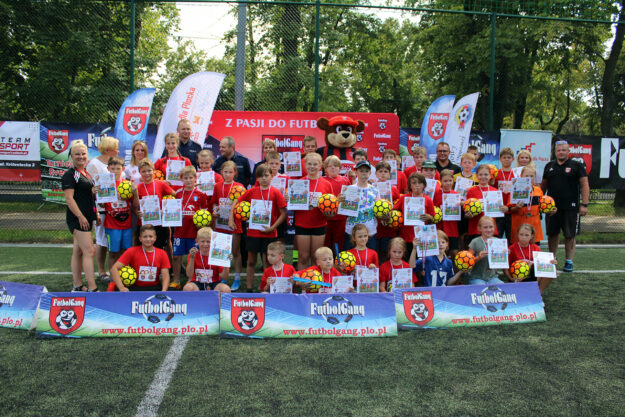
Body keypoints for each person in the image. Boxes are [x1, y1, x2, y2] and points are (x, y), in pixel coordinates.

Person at [230, 164, 287, 292]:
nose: (264, 178)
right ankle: (249, 289)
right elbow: (236, 202)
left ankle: (267, 288)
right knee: (251, 261)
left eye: (266, 175)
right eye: (260, 176)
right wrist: (230, 219)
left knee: (267, 262)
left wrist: (272, 227)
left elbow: (283, 213)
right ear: (257, 178)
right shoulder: (252, 191)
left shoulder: (276, 192)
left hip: (269, 233)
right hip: (253, 233)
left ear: (271, 176)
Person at [541, 140, 589, 272]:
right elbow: (543, 187)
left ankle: (569, 261)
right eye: (558, 150)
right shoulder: (549, 166)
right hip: (552, 208)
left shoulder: (577, 166)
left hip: (571, 207)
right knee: (552, 234)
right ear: (555, 152)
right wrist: (540, 204)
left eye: (563, 150)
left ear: (568, 151)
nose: (561, 152)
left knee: (570, 235)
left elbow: (585, 185)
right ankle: (552, 259)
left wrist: (584, 204)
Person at [62, 140, 99, 292]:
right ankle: (92, 288)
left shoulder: (85, 173)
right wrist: (80, 216)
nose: (81, 157)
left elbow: (86, 196)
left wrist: (95, 213)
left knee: (78, 252)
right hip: (78, 219)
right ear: (71, 156)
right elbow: (69, 199)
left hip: (87, 217)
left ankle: (77, 286)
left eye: (83, 154)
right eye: (77, 154)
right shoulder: (69, 175)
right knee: (89, 251)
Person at [87, 135, 119, 282]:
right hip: (101, 207)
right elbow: (91, 187)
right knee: (101, 239)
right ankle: (101, 271)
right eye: (115, 148)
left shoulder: (114, 164)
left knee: (112, 239)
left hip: (115, 208)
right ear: (108, 149)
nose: (118, 151)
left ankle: (114, 269)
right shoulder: (94, 164)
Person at [293, 153, 333, 270]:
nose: (312, 166)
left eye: (315, 164)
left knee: (316, 258)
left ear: (320, 166)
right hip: (302, 223)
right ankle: (303, 280)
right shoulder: (298, 183)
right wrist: (289, 199)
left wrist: (329, 212)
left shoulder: (327, 184)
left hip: (319, 224)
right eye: (309, 164)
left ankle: (315, 281)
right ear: (305, 165)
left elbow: (331, 208)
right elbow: (293, 206)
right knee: (303, 257)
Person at [172, 166, 209, 289]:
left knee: (193, 256)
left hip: (194, 233)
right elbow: (172, 210)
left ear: (195, 179)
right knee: (176, 256)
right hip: (179, 231)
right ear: (181, 179)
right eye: (186, 178)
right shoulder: (178, 193)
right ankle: (176, 280)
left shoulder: (201, 194)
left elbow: (205, 214)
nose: (188, 180)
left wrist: (201, 224)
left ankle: (191, 279)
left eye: (190, 178)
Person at [133, 159, 175, 266]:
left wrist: (166, 209)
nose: (147, 173)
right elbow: (134, 206)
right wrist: (137, 212)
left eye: (149, 171)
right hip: (144, 224)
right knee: (144, 248)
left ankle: (165, 268)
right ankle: (147, 268)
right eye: (144, 171)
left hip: (159, 223)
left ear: (153, 170)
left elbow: (175, 195)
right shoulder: (138, 188)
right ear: (140, 172)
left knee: (161, 246)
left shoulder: (161, 184)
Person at [210, 160, 244, 290]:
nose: (228, 174)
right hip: (220, 224)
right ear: (221, 172)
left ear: (235, 173)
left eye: (230, 172)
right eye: (225, 172)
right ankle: (223, 277)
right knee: (222, 251)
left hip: (234, 224)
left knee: (235, 251)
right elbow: (214, 202)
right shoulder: (218, 186)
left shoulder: (239, 187)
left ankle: (237, 278)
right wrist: (215, 210)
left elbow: (243, 205)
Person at [110, 225, 170, 292]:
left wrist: (164, 291)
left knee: (173, 290)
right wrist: (121, 287)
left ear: (155, 238)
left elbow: (165, 275)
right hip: (135, 288)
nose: (148, 239)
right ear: (140, 238)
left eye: (150, 236)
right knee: (116, 291)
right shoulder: (132, 251)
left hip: (155, 288)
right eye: (145, 237)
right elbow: (114, 269)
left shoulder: (162, 253)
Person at [102, 156, 134, 273]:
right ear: (108, 169)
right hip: (112, 225)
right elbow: (101, 205)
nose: (115, 171)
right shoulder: (105, 184)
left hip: (127, 225)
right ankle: (113, 277)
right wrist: (97, 194)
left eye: (118, 169)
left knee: (126, 252)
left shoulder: (127, 184)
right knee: (113, 253)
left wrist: (134, 193)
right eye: (113, 168)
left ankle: (124, 275)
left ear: (123, 169)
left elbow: (134, 204)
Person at [505, 223, 556, 294]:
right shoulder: (512, 248)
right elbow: (506, 266)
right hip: (518, 276)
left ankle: (538, 293)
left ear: (531, 236)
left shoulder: (535, 248)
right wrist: (511, 278)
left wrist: (551, 262)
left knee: (551, 269)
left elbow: (541, 263)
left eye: (526, 235)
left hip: (532, 275)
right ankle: (519, 288)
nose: (523, 237)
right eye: (521, 234)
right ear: (517, 235)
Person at [342, 160, 380, 251]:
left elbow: (379, 210)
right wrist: (341, 203)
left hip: (370, 232)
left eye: (366, 171)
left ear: (370, 173)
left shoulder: (375, 190)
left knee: (369, 257)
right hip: (351, 231)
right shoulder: (349, 189)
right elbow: (344, 212)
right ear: (356, 172)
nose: (364, 173)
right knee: (350, 257)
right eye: (361, 171)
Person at [394, 172, 435, 256]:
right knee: (407, 260)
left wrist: (429, 217)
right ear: (410, 185)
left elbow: (433, 218)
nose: (417, 185)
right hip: (405, 236)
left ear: (424, 185)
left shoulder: (428, 200)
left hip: (421, 237)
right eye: (414, 183)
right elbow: (394, 210)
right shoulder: (404, 198)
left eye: (419, 183)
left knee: (419, 261)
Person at [509, 166, 552, 245]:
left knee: (534, 248)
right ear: (521, 177)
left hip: (534, 225)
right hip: (519, 224)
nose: (529, 178)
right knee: (518, 248)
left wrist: (550, 209)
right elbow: (509, 209)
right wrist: (516, 207)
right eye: (526, 176)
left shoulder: (538, 190)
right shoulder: (515, 190)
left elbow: (542, 207)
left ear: (535, 178)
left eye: (532, 176)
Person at [183, 227, 231, 293]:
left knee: (226, 289)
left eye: (208, 241)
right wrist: (191, 258)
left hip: (214, 282)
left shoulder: (218, 254)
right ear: (197, 241)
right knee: (188, 288)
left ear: (213, 242)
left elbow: (224, 277)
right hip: (197, 282)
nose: (205, 244)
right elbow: (189, 275)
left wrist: (226, 264)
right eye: (202, 241)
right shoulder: (193, 254)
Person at [465, 164, 505, 241]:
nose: (483, 177)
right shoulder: (471, 191)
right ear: (476, 176)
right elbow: (467, 211)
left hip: (491, 230)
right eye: (480, 175)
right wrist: (468, 214)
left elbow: (499, 212)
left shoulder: (495, 191)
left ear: (490, 176)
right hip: (475, 229)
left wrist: (503, 209)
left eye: (486, 174)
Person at [323, 155, 351, 251]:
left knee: (339, 243)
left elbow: (351, 198)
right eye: (330, 166)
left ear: (340, 168)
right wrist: (336, 201)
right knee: (326, 242)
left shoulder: (345, 180)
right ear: (325, 169)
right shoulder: (322, 180)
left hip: (341, 217)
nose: (333, 168)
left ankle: (337, 258)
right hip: (326, 217)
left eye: (335, 166)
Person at [466, 216, 505, 285]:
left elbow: (501, 264)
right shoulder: (475, 242)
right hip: (477, 277)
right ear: (479, 228)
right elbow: (467, 263)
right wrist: (478, 258)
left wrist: (505, 255)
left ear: (495, 227)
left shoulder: (498, 242)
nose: (489, 230)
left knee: (502, 286)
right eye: (485, 227)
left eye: (491, 227)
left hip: (492, 277)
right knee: (481, 287)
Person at [434, 170, 460, 258]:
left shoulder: (456, 194)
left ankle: (453, 267)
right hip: (440, 227)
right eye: (445, 181)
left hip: (452, 228)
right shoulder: (436, 194)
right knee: (440, 252)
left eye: (450, 180)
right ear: (440, 181)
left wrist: (461, 204)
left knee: (454, 252)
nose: (448, 183)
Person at [494, 147, 516, 240]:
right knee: (497, 236)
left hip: (512, 211)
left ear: (513, 159)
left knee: (511, 238)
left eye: (509, 157)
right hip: (498, 210)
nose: (506, 159)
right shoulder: (496, 174)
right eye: (504, 157)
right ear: (500, 159)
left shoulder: (516, 174)